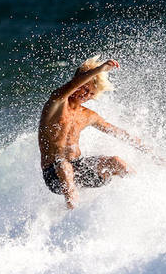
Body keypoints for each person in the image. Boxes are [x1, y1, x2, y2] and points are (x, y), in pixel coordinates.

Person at [38, 56, 156, 209]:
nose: (86, 96)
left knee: (116, 162)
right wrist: (99, 70)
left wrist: (151, 153)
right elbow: (72, 85)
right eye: (85, 89)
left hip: (79, 168)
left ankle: (147, 198)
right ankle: (72, 214)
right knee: (64, 166)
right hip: (54, 174)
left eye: (91, 94)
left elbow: (118, 132)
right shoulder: (56, 103)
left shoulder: (87, 115)